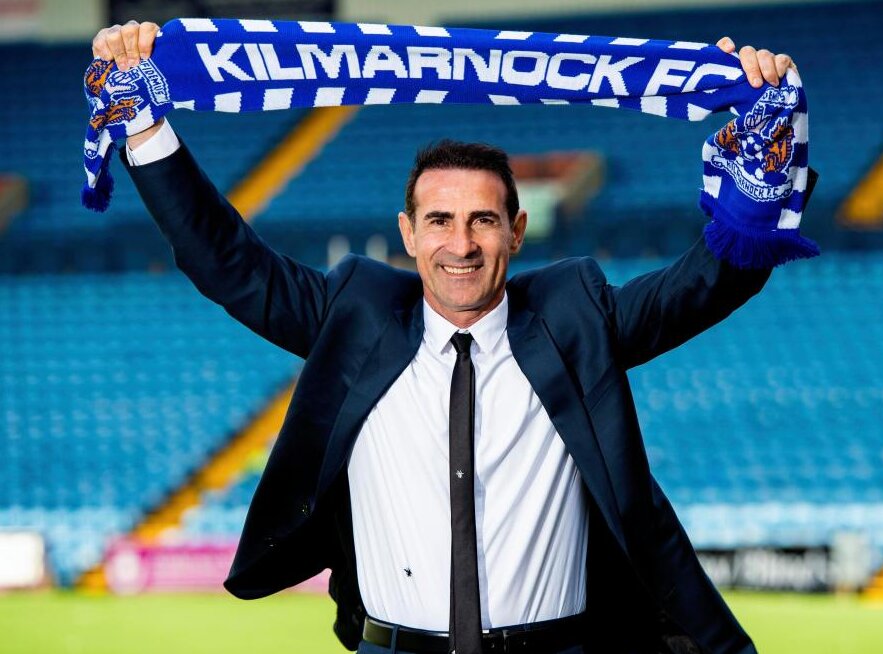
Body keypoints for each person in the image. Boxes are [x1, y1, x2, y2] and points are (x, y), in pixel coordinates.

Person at [93, 20, 804, 654]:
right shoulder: (355, 317)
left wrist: (762, 135)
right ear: (408, 233)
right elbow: (228, 262)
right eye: (439, 221)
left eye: (483, 221)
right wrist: (146, 127)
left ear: (516, 231)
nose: (460, 245)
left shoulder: (576, 322)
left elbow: (707, 283)